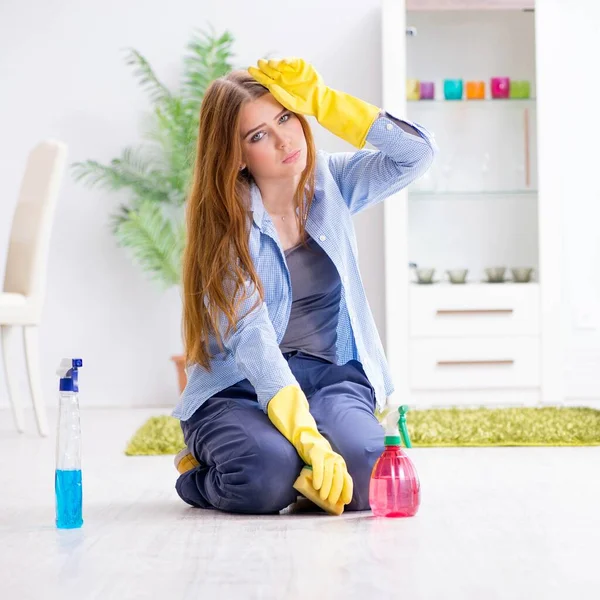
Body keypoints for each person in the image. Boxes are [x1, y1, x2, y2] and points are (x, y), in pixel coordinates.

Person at [173, 58, 436, 514]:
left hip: (327, 376)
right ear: (235, 155)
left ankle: (297, 466)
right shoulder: (226, 227)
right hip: (238, 387)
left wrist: (323, 101)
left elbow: (415, 155)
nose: (283, 140)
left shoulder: (332, 181)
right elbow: (253, 340)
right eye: (258, 135)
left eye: (285, 117)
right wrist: (309, 441)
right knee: (262, 477)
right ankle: (203, 472)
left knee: (369, 479)